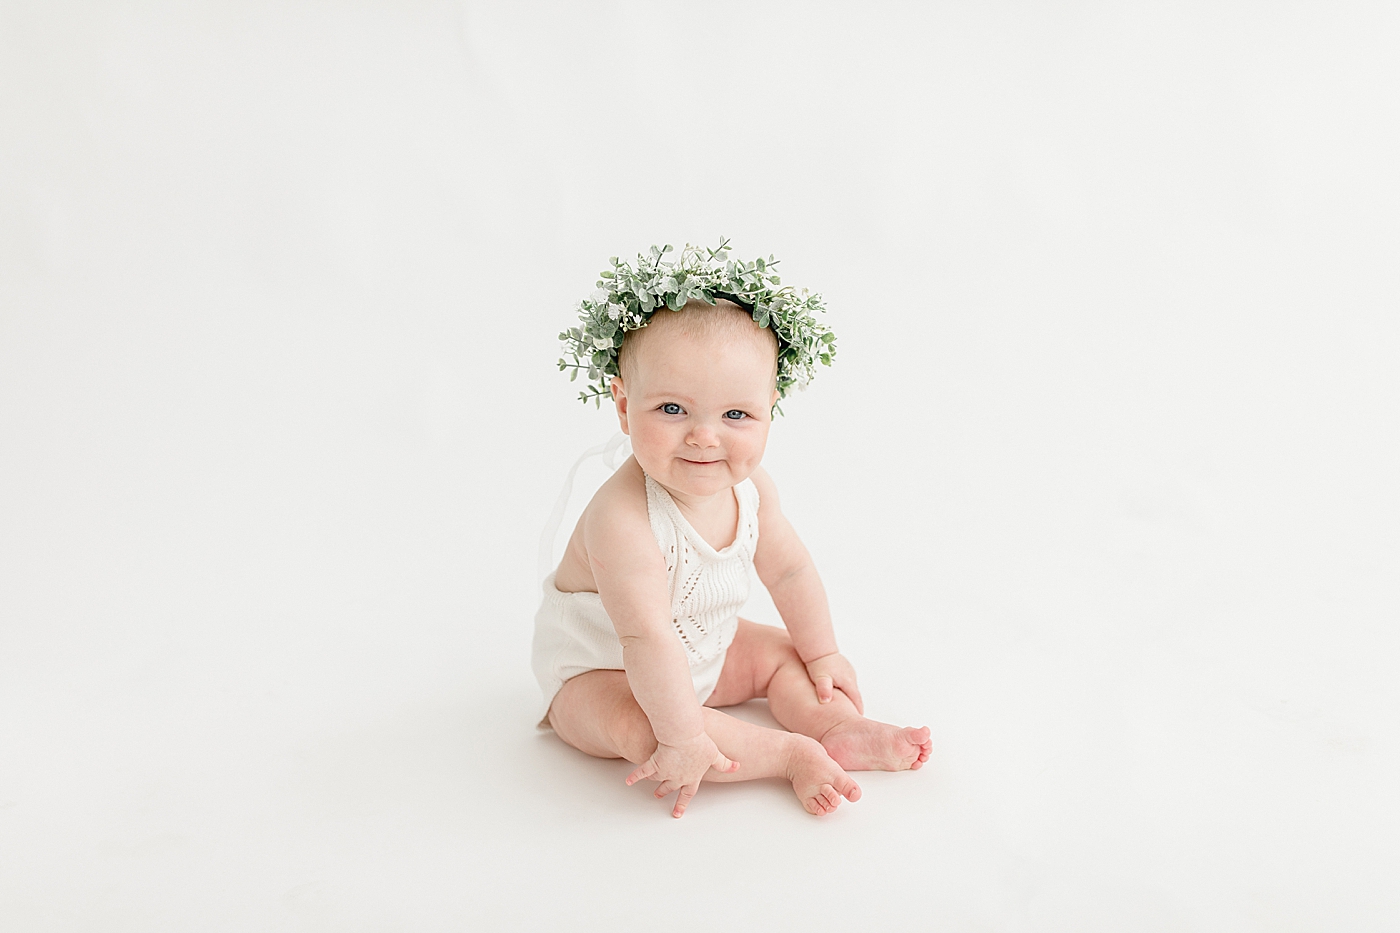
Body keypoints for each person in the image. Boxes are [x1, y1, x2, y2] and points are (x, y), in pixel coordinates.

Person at [533, 243, 931, 818]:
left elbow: (789, 569)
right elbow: (646, 639)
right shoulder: (621, 521)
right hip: (605, 671)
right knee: (648, 727)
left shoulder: (752, 489)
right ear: (624, 406)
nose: (704, 437)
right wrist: (683, 737)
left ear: (770, 407)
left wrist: (824, 654)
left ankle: (837, 727)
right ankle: (787, 754)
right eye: (672, 409)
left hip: (705, 649)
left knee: (784, 654)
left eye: (735, 415)